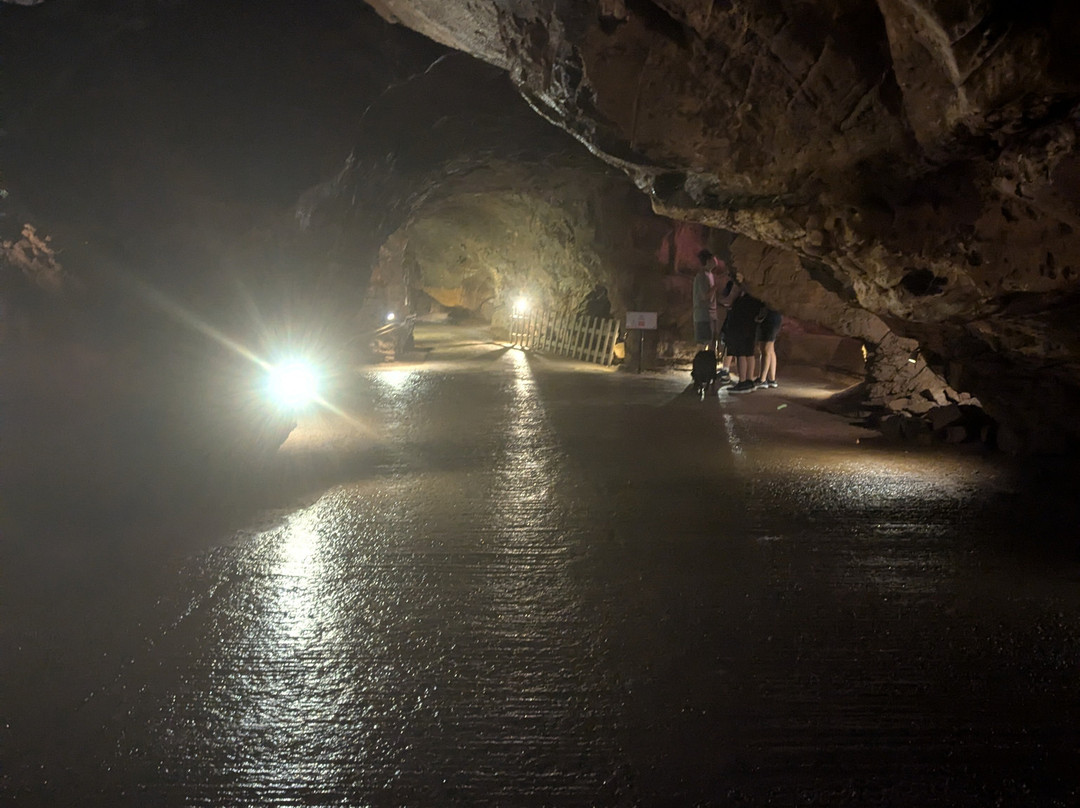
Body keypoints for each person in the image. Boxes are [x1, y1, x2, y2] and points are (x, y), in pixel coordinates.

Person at [725, 286, 762, 393]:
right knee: (749, 353)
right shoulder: (756, 296)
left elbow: (729, 303)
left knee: (740, 353)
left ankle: (742, 381)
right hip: (751, 327)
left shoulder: (742, 297)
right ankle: (749, 380)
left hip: (740, 327)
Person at [692, 249, 722, 352]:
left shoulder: (710, 275)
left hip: (711, 314)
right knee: (703, 342)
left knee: (712, 340)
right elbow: (704, 296)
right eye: (713, 258)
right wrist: (715, 287)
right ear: (708, 260)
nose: (716, 260)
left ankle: (710, 359)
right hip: (703, 315)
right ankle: (700, 359)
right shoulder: (702, 276)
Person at [754, 305, 782, 388]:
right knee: (770, 349)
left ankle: (762, 379)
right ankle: (771, 379)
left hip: (770, 317)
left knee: (766, 349)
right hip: (771, 316)